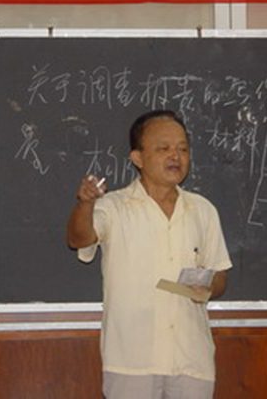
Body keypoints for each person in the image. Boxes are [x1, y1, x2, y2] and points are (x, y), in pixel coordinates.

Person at [67, 109, 232, 399]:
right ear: (138, 158)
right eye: (163, 148)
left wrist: (206, 285)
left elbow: (220, 279)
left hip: (191, 360)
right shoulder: (113, 207)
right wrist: (85, 203)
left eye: (183, 149)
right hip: (131, 361)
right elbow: (78, 238)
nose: (175, 156)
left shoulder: (203, 210)